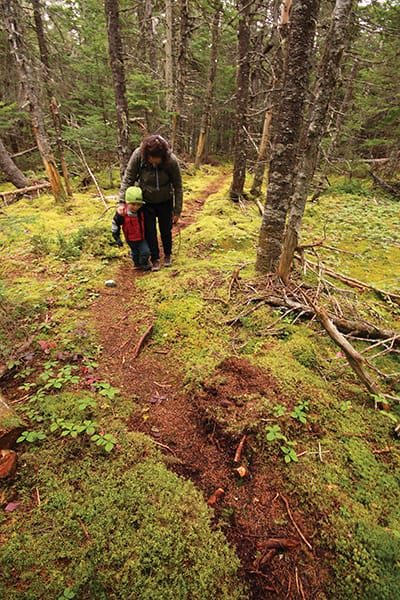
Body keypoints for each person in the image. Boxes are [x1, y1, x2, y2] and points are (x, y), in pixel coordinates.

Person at [119, 134, 183, 271]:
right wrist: (121, 202)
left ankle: (167, 254)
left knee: (166, 229)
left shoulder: (171, 160)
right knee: (149, 231)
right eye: (152, 159)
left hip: (165, 200)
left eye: (157, 159)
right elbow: (128, 178)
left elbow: (178, 186)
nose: (154, 162)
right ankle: (154, 258)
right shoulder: (138, 156)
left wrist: (177, 210)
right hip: (146, 201)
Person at [111, 186, 151, 271]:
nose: (136, 207)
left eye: (138, 204)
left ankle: (144, 263)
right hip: (130, 238)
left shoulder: (142, 211)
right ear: (127, 202)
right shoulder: (122, 213)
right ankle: (136, 264)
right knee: (134, 252)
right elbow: (115, 223)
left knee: (145, 252)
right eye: (133, 204)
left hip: (142, 237)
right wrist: (116, 236)